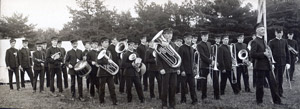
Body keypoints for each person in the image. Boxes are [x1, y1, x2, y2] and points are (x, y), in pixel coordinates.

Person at [250, 24, 282, 104]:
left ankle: (277, 101)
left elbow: (266, 53)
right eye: (261, 29)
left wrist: (269, 55)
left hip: (268, 66)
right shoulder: (254, 41)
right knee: (260, 86)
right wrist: (263, 54)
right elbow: (252, 54)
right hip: (260, 67)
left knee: (273, 84)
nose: (263, 31)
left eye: (264, 29)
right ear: (257, 31)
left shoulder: (264, 41)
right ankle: (259, 101)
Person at [156, 28, 180, 109]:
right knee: (165, 88)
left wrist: (178, 68)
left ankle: (172, 104)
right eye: (168, 34)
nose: (170, 35)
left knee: (173, 87)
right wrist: (161, 68)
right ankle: (164, 104)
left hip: (173, 69)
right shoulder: (160, 45)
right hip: (165, 70)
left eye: (171, 34)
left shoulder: (173, 44)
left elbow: (177, 57)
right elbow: (158, 58)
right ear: (164, 35)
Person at [121, 36, 145, 103]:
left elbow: (139, 61)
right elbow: (122, 65)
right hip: (128, 73)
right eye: (130, 45)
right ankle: (129, 99)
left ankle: (142, 98)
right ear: (127, 46)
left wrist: (139, 66)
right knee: (129, 87)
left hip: (135, 72)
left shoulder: (136, 53)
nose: (132, 46)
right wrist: (131, 65)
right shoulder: (125, 54)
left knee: (139, 86)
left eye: (132, 45)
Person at [197, 31, 220, 100]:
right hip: (204, 65)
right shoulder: (199, 44)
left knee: (215, 80)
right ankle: (204, 96)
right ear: (201, 37)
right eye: (204, 36)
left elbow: (211, 53)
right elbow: (202, 56)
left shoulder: (209, 43)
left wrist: (214, 60)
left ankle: (217, 96)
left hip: (211, 65)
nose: (205, 38)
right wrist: (211, 61)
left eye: (206, 36)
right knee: (204, 81)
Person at [269, 27, 290, 97]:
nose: (279, 34)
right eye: (278, 33)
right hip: (275, 63)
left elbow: (287, 52)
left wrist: (288, 62)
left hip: (283, 63)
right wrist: (271, 63)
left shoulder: (285, 41)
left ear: (282, 33)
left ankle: (280, 92)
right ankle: (275, 93)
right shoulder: (271, 42)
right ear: (275, 33)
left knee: (280, 78)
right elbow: (270, 53)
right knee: (275, 78)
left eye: (280, 33)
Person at [97, 37, 117, 105]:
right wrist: (107, 61)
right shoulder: (98, 51)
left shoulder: (109, 52)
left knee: (112, 87)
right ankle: (101, 101)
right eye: (105, 42)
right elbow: (98, 61)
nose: (107, 44)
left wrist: (111, 63)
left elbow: (111, 61)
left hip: (109, 72)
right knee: (102, 88)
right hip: (102, 72)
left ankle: (114, 101)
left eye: (107, 42)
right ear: (102, 43)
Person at [178, 33, 198, 105]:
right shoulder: (181, 48)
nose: (188, 40)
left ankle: (194, 100)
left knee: (192, 86)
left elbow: (193, 60)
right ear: (184, 39)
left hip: (191, 71)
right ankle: (183, 100)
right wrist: (182, 70)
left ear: (191, 39)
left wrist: (194, 69)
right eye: (187, 38)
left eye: (189, 38)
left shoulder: (192, 48)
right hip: (184, 71)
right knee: (183, 87)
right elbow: (180, 60)